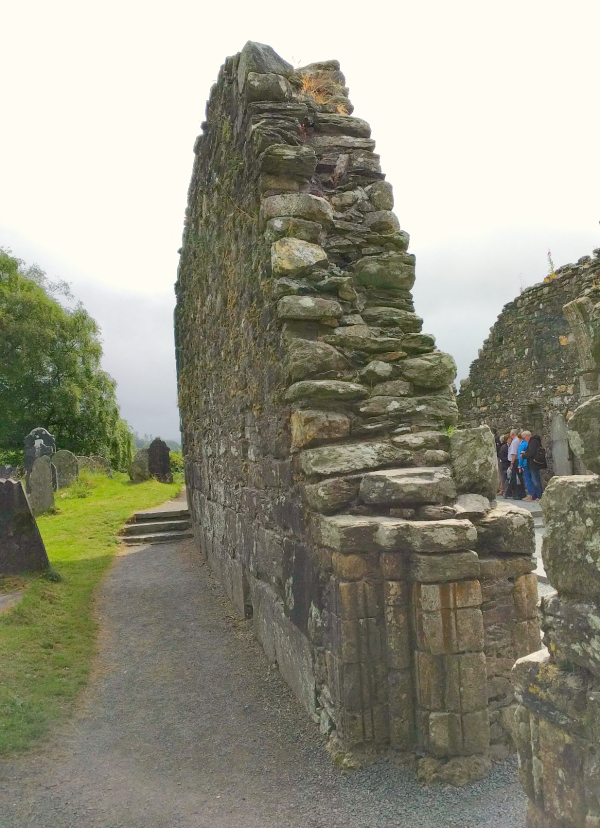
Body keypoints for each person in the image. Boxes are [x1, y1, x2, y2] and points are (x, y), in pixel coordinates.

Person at [522, 433, 546, 500]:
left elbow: (531, 453)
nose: (525, 439)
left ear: (527, 436)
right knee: (534, 479)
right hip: (535, 463)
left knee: (535, 480)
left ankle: (539, 496)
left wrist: (524, 455)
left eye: (524, 438)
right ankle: (535, 496)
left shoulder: (532, 442)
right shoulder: (536, 441)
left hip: (533, 463)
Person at [506, 429, 525, 499]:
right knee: (518, 477)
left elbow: (514, 453)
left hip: (515, 461)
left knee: (515, 478)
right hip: (517, 460)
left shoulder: (514, 442)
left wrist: (512, 463)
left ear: (513, 434)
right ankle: (519, 493)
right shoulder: (517, 441)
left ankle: (516, 493)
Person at [518, 430, 534, 500]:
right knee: (531, 479)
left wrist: (520, 465)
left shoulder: (523, 444)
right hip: (529, 463)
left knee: (527, 479)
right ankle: (532, 494)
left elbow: (520, 455)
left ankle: (530, 494)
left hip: (524, 463)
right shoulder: (529, 444)